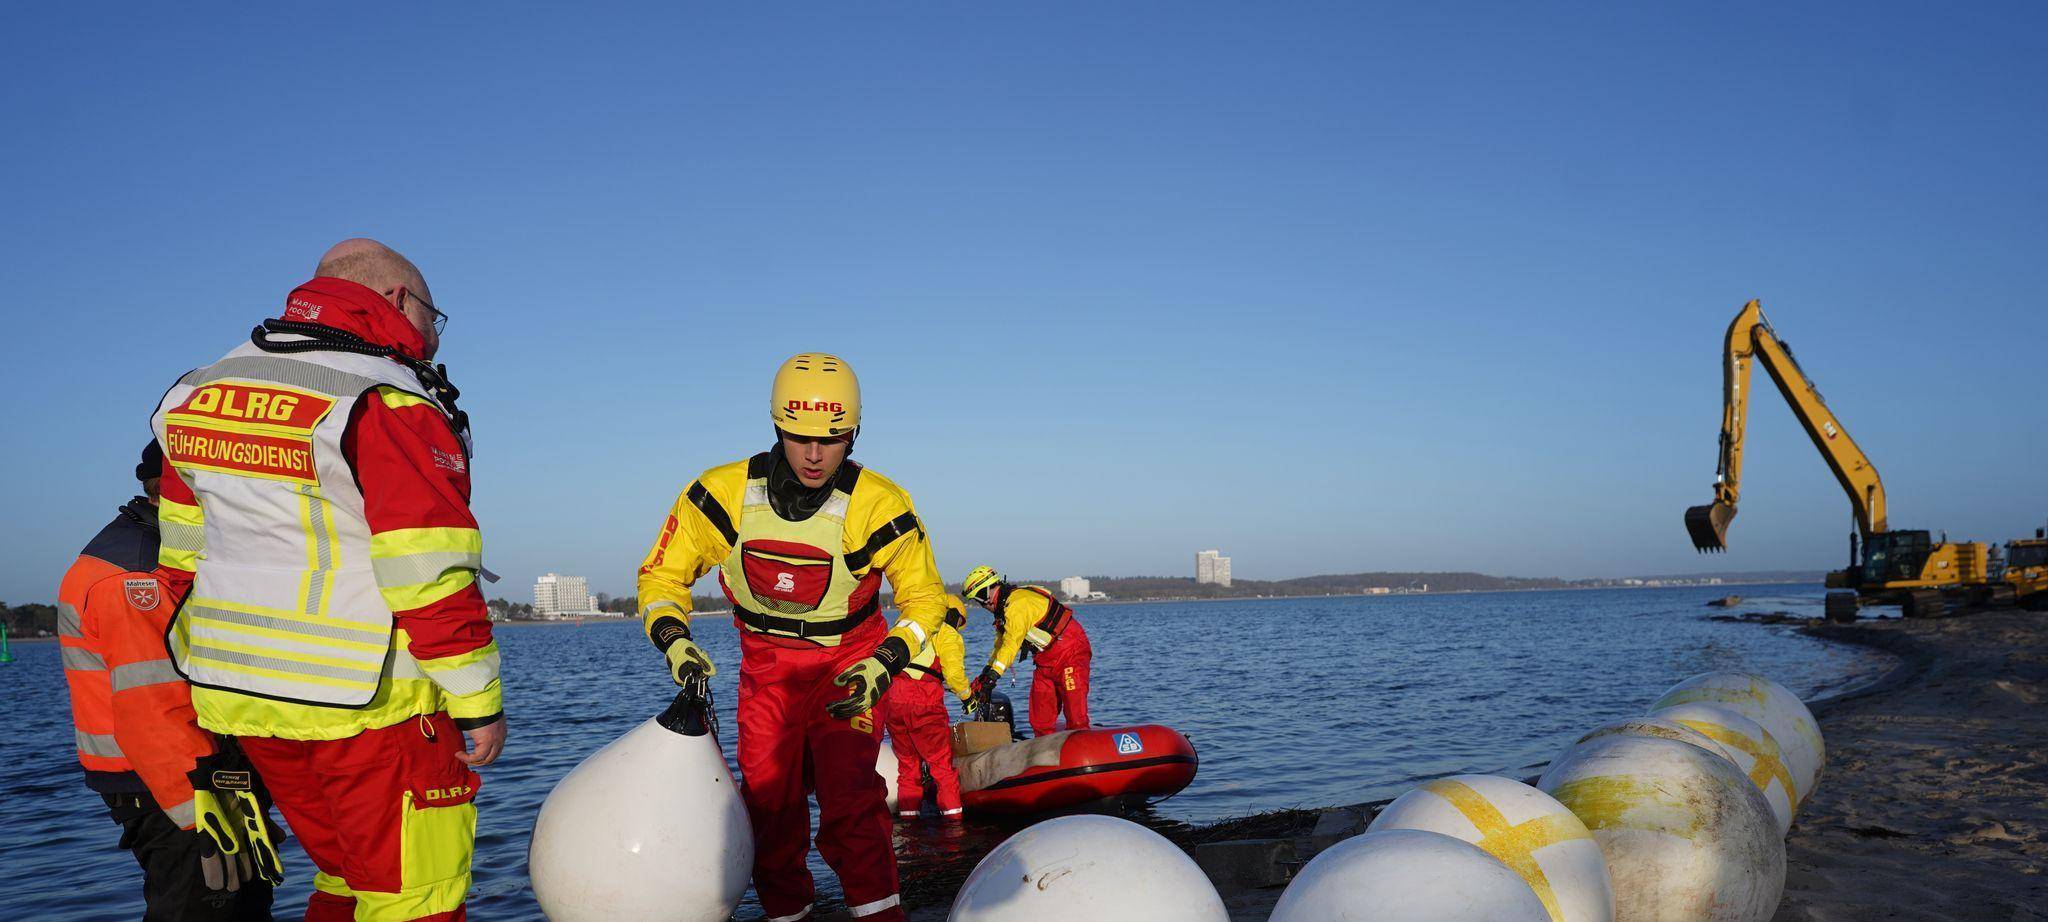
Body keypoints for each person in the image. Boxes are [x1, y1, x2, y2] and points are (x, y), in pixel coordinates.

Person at [150, 239, 503, 922]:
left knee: (344, 879)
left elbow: (180, 557)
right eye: (434, 316)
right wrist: (477, 701)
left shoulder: (195, 392)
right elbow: (428, 569)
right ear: (399, 300)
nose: (432, 336)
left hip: (244, 698)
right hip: (368, 705)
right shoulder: (380, 399)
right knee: (414, 898)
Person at [636, 352, 948, 922]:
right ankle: (789, 914)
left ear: (852, 435)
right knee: (769, 806)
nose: (812, 454)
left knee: (852, 804)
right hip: (767, 674)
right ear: (778, 426)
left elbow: (925, 597)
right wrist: (673, 637)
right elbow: (662, 575)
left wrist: (886, 661)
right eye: (798, 437)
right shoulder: (721, 495)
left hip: (849, 670)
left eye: (830, 440)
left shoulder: (880, 504)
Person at [59, 442, 279, 920]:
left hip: (192, 773)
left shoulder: (161, 554)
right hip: (172, 784)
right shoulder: (138, 574)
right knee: (202, 907)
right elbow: (151, 708)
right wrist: (200, 816)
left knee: (239, 906)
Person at [961, 566, 1092, 737]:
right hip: (1045, 659)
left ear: (986, 592)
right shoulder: (1004, 610)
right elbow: (1000, 647)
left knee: (1075, 714)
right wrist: (986, 674)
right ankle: (1045, 757)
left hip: (1070, 651)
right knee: (1040, 719)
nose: (982, 605)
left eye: (979, 599)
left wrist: (994, 676)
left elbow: (1011, 644)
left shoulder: (1017, 604)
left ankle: (1081, 747)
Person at [885, 595, 973, 821]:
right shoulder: (946, 632)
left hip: (893, 701)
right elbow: (954, 676)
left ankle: (909, 825)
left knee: (907, 768)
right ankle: (954, 829)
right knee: (942, 767)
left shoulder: (904, 625)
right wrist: (968, 697)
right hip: (924, 703)